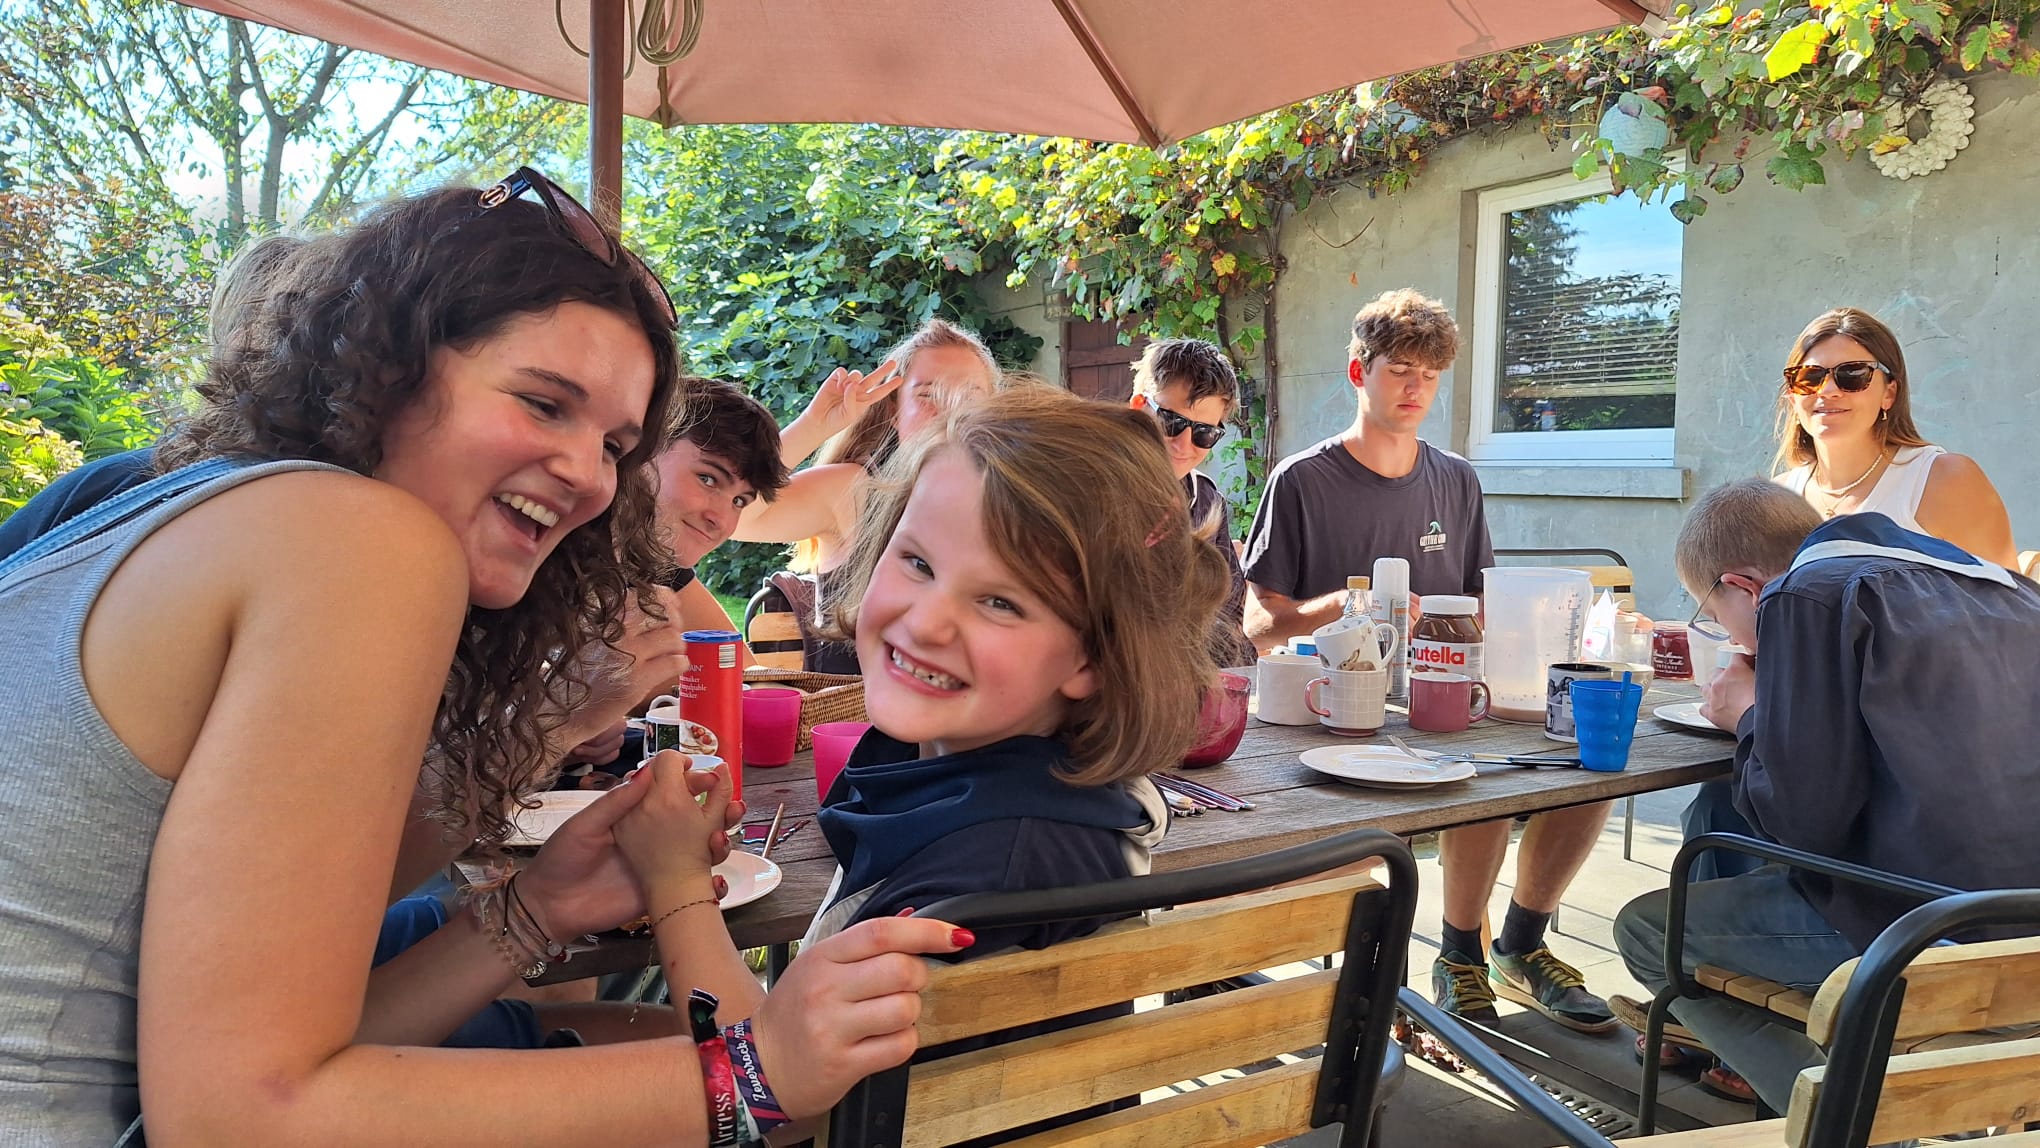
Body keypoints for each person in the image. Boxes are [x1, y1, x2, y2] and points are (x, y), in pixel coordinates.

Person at [0, 170, 964, 1146]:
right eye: (544, 403)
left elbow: (271, 1010)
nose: (588, 476)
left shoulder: (187, 503)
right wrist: (755, 1080)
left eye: (615, 445)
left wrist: (538, 908)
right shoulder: (359, 540)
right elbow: (239, 1119)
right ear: (391, 368)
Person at [1241, 288, 1616, 1034]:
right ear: (1360, 372)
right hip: (1340, 715)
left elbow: (1484, 601)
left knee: (1591, 762)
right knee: (1418, 803)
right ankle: (1369, 994)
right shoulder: (1303, 479)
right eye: (1400, 371)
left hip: (1449, 700)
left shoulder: (1456, 478)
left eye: (1430, 376)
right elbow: (1259, 627)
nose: (1415, 389)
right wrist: (1349, 606)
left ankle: (1503, 949)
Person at [1613, 478, 2040, 1113]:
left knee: (1651, 933)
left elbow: (1804, 820)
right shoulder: (2006, 589)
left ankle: (1855, 1122)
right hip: (2024, 913)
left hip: (1937, 930)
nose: (1734, 640)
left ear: (1745, 587)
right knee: (1718, 810)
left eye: (1717, 618)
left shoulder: (1801, 596)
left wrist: (1750, 716)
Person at [800, 385, 1229, 952]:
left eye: (1000, 602)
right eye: (919, 563)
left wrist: (687, 889)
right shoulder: (933, 758)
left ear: (1094, 659)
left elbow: (789, 1019)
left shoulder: (983, 882)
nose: (927, 624)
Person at [557, 375, 794, 778]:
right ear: (641, 451)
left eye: (739, 500)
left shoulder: (657, 566)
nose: (721, 519)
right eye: (708, 478)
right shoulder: (549, 546)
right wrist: (565, 726)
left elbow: (750, 684)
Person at [731, 319, 1001, 673]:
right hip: (852, 709)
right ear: (894, 411)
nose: (949, 412)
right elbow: (735, 515)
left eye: (969, 396)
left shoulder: (1009, 506)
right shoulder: (853, 491)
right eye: (927, 395)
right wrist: (814, 425)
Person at [1771, 306, 2015, 567]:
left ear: (1889, 393)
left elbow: (2006, 591)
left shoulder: (1943, 480)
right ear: (1792, 397)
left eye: (1852, 375)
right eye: (1810, 377)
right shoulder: (1777, 500)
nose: (1828, 390)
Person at [1126, 337, 1257, 668]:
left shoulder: (1207, 500)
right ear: (1139, 406)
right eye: (1172, 423)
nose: (1184, 444)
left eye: (1204, 433)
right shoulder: (1089, 486)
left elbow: (1229, 617)